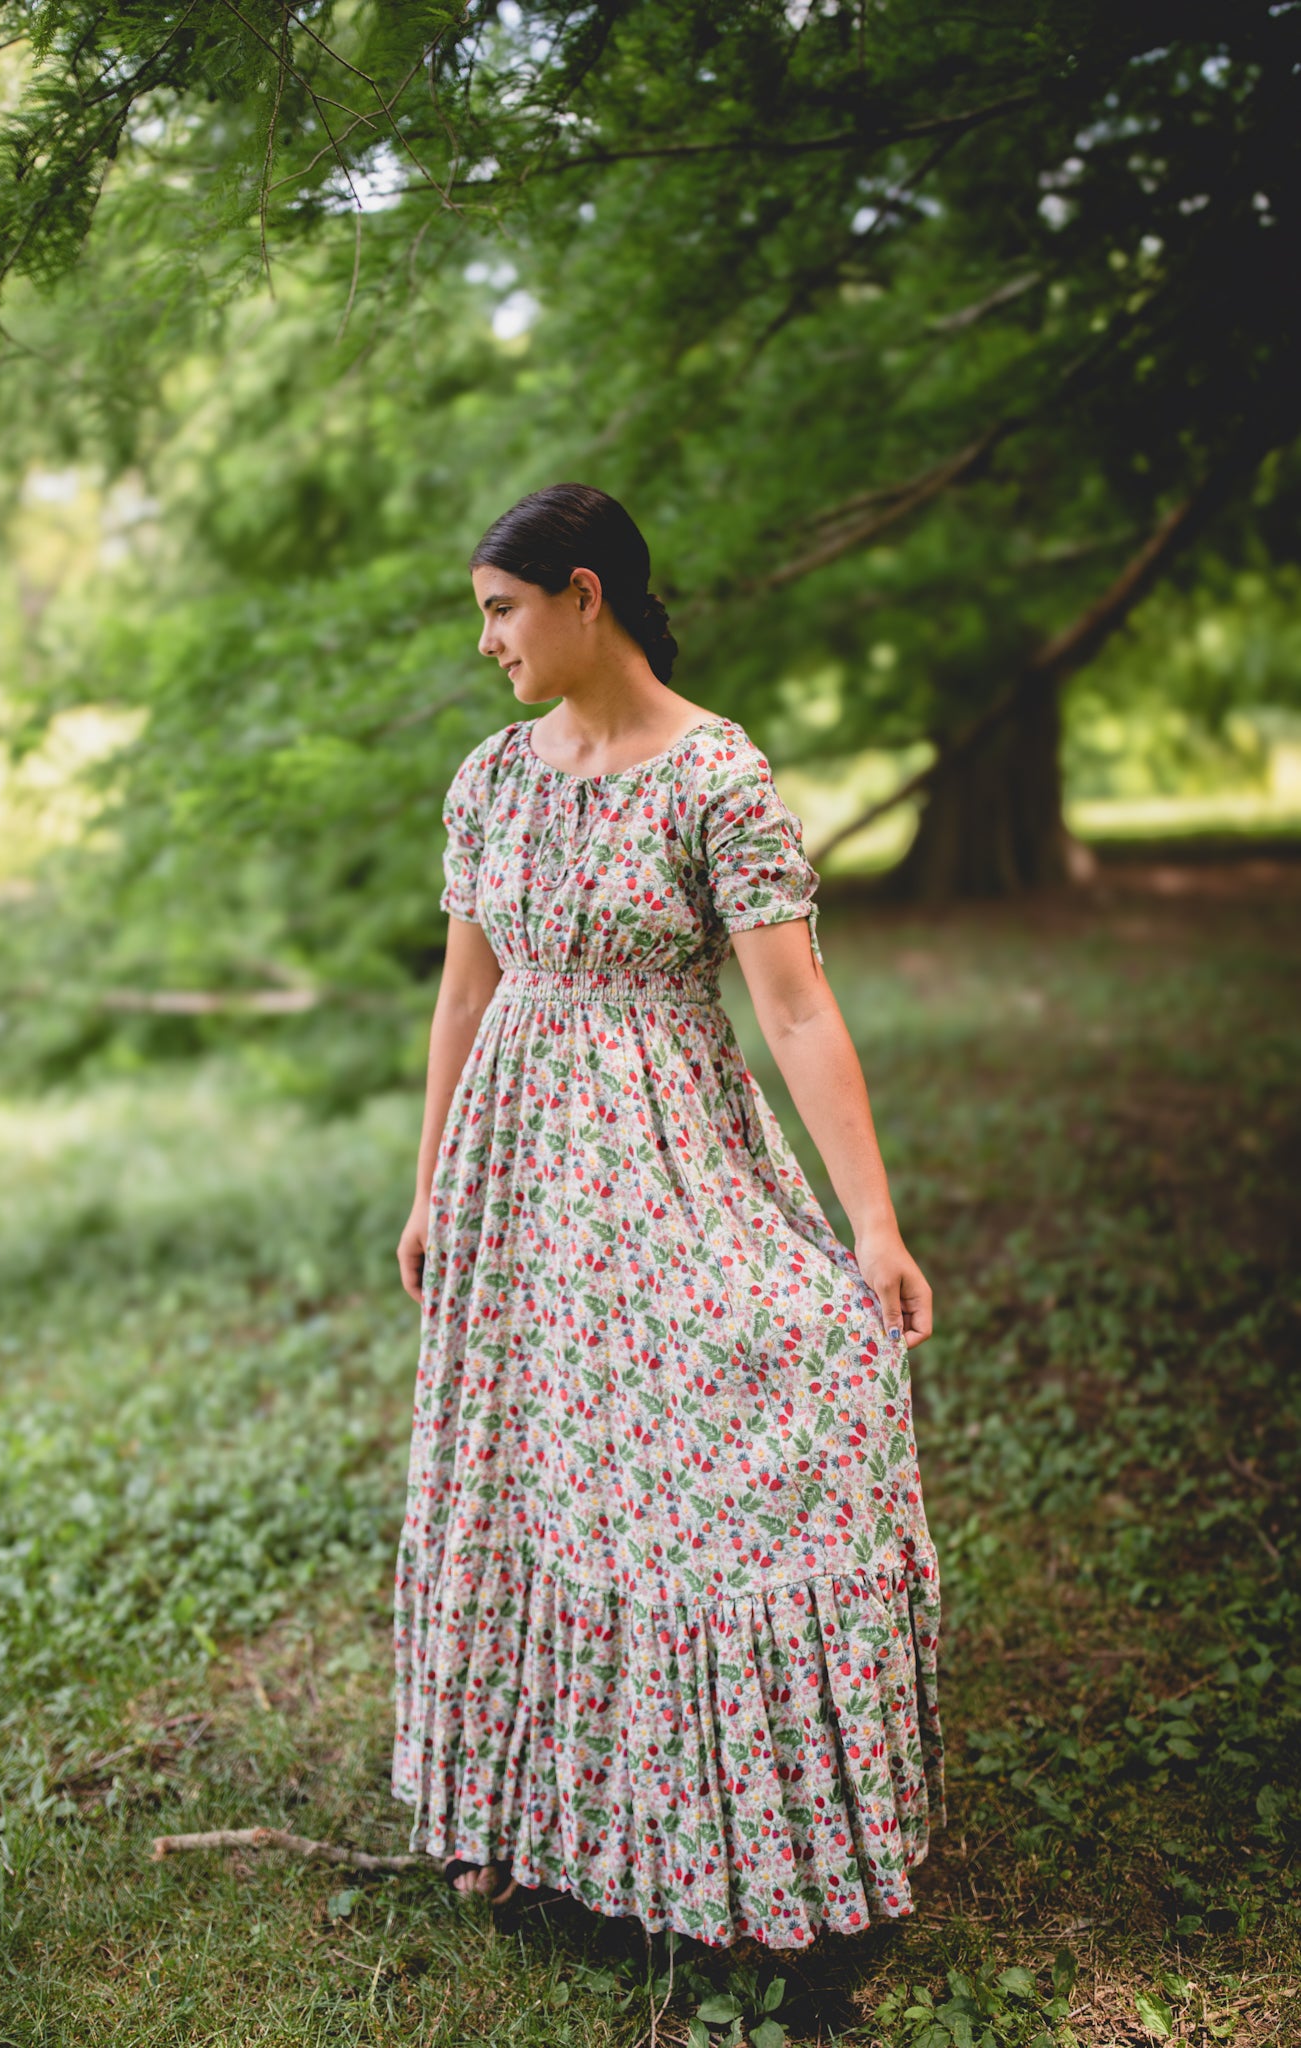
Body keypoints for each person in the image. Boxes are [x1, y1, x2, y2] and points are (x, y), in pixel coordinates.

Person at [392, 483, 943, 1950]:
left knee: (756, 1412)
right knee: (531, 1482)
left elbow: (797, 1007)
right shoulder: (490, 781)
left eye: (502, 611)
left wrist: (870, 1226)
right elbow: (464, 993)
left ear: (586, 595)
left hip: (666, 1161)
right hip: (520, 1184)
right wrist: (433, 1182)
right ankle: (521, 1821)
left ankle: (730, 1852)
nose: (490, 644)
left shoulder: (718, 779)